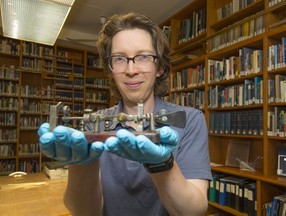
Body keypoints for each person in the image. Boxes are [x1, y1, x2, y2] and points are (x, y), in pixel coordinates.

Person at [38, 12, 212, 216]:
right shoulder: (94, 125)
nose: (131, 69)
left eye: (143, 57)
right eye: (120, 59)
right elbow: (86, 212)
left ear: (160, 67)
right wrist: (82, 165)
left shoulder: (190, 120)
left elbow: (193, 211)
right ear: (110, 69)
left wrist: (162, 165)